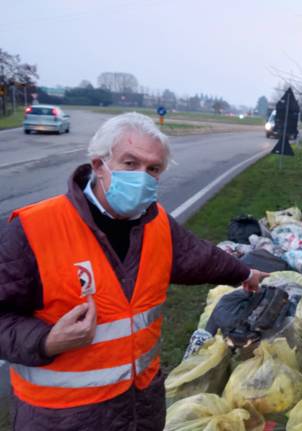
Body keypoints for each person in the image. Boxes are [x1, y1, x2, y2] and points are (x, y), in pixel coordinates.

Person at [0, 112, 266, 430]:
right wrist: (45, 340)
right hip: (62, 419)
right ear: (99, 166)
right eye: (130, 163)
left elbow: (201, 257)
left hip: (140, 410)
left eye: (153, 169)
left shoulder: (156, 224)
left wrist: (244, 274)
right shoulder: (33, 230)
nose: (142, 176)